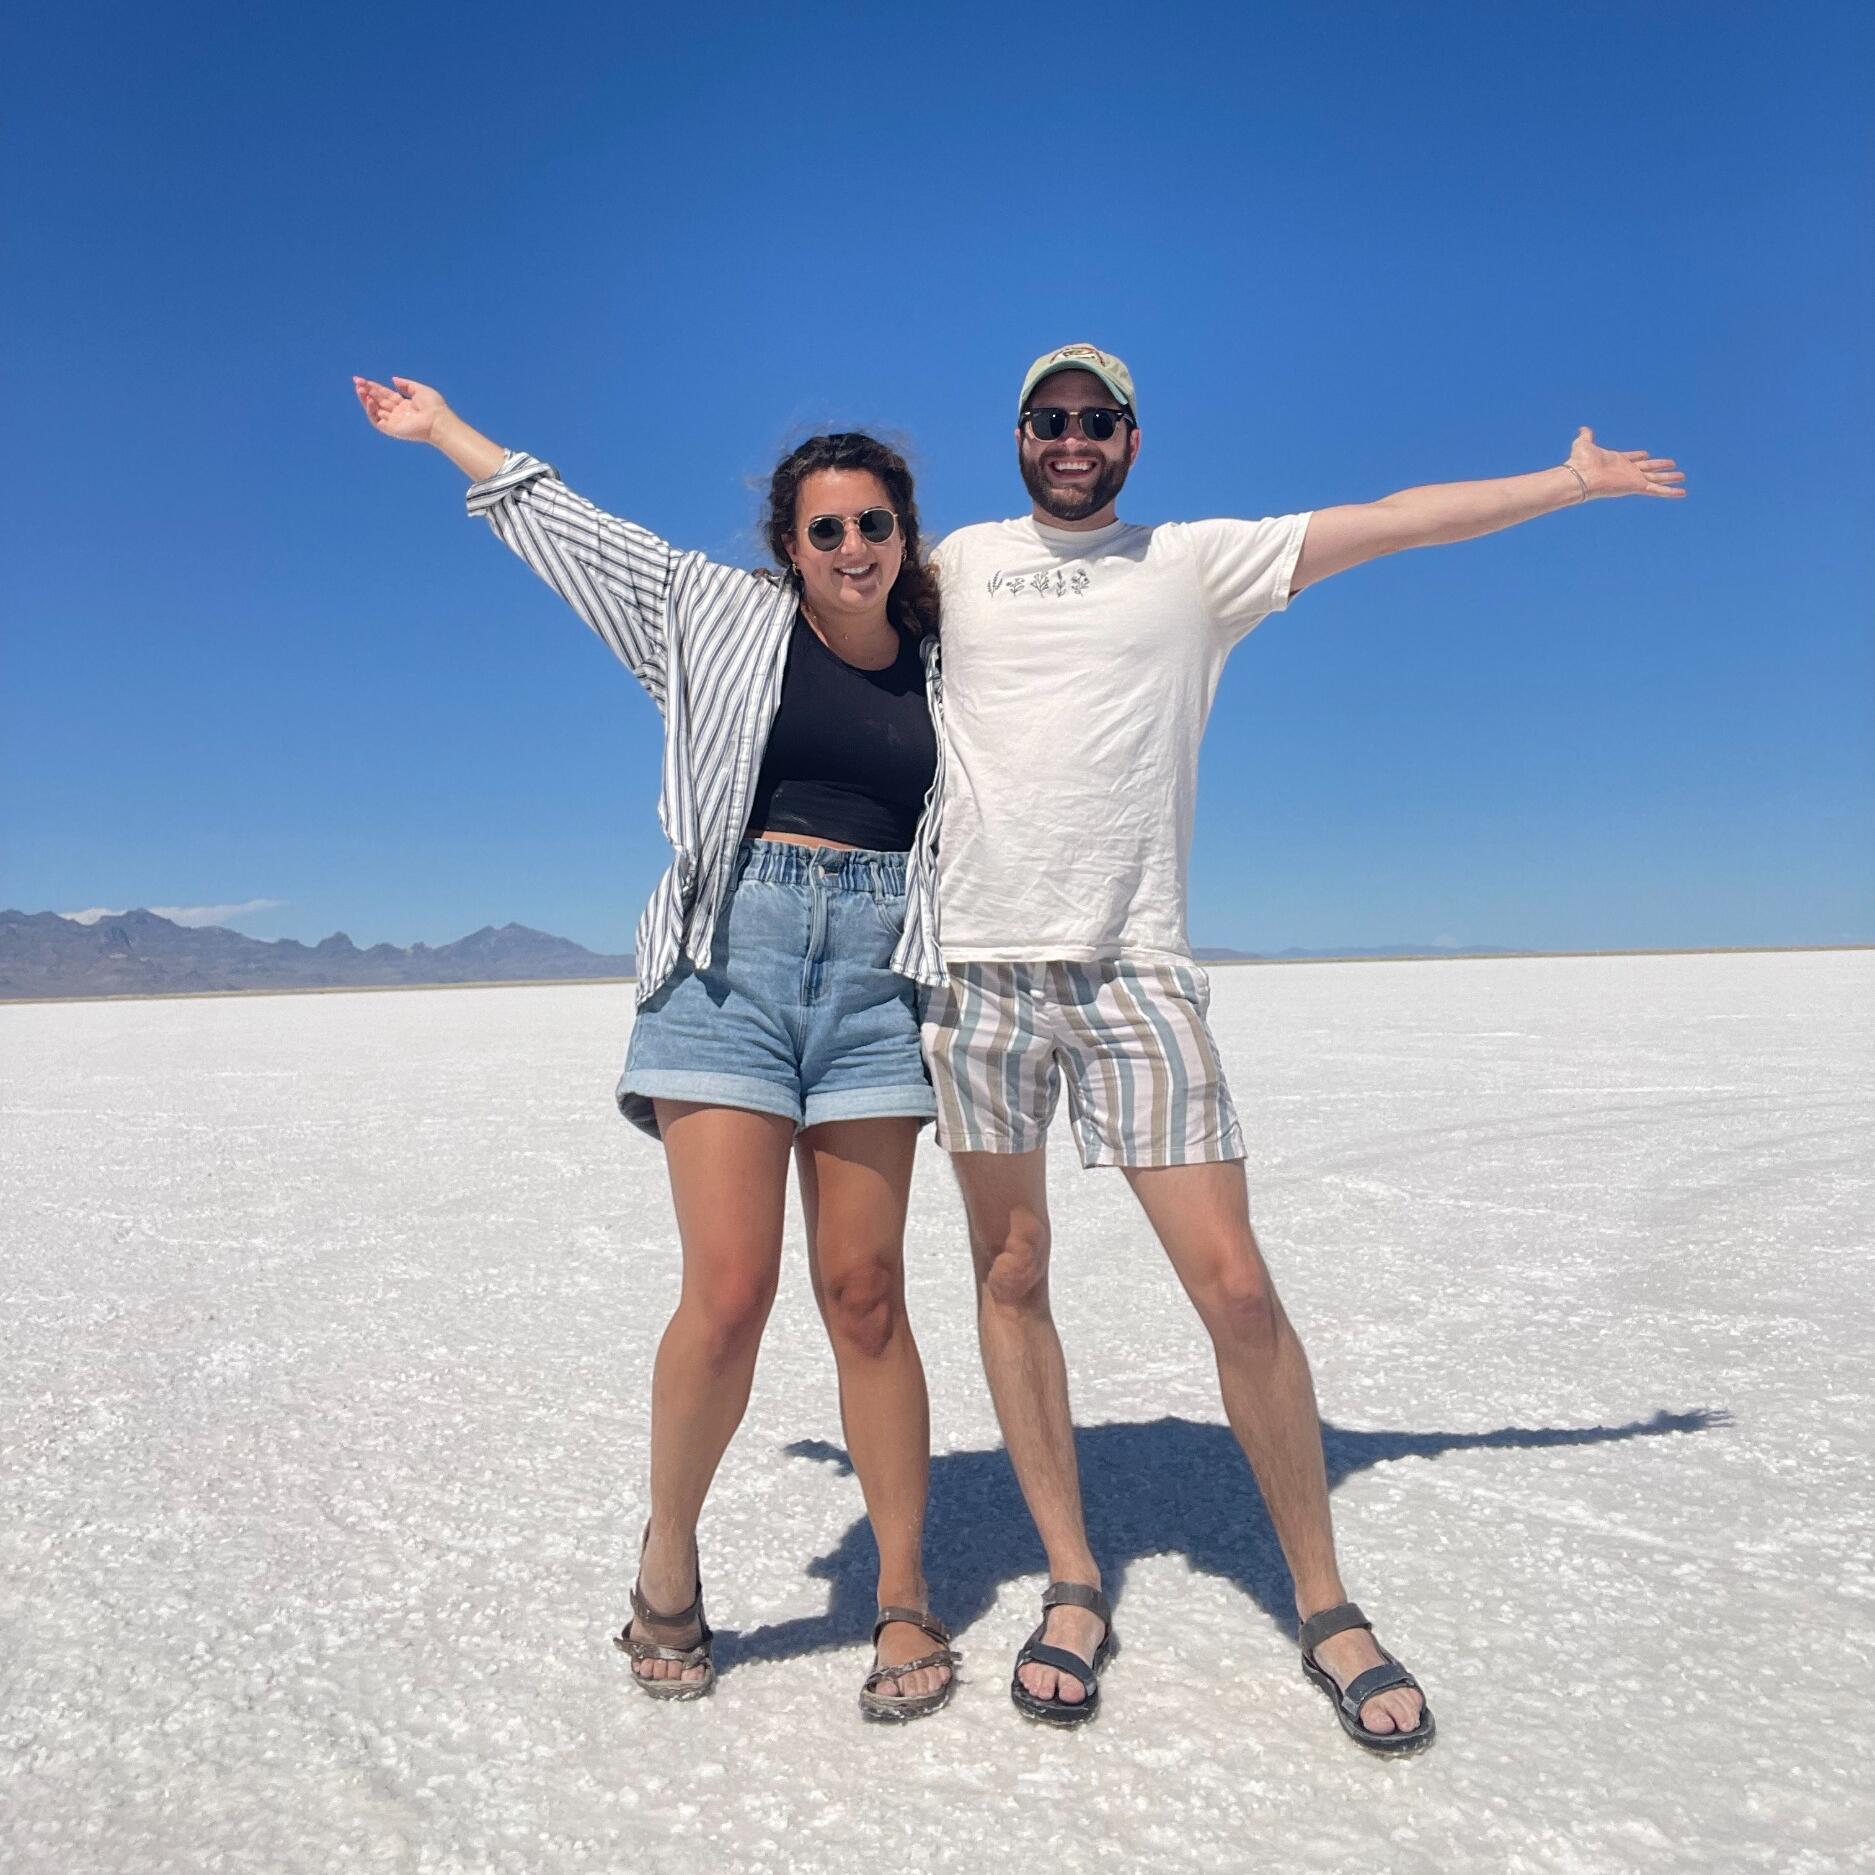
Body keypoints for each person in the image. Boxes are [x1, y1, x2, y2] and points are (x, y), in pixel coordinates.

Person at [915, 342, 1685, 1748]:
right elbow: (805, 586)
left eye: (1097, 420)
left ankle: (1324, 1601)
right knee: (1010, 1270)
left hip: (1138, 967)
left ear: (1131, 442)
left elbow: (1394, 516)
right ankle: (1074, 1583)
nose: (1071, 438)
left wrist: (1568, 484)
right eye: (1049, 419)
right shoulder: (954, 561)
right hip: (973, 975)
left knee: (1238, 1290)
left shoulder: (1197, 563)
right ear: (1018, 434)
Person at [352, 374, 958, 1720]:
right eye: (825, 530)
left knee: (865, 1294)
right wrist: (450, 432)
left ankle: (906, 1597)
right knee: (731, 1291)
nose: (853, 549)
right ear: (786, 545)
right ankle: (668, 1560)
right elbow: (573, 530)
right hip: (729, 965)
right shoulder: (711, 614)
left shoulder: (948, 659)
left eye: (874, 525)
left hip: (878, 981)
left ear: (905, 534)